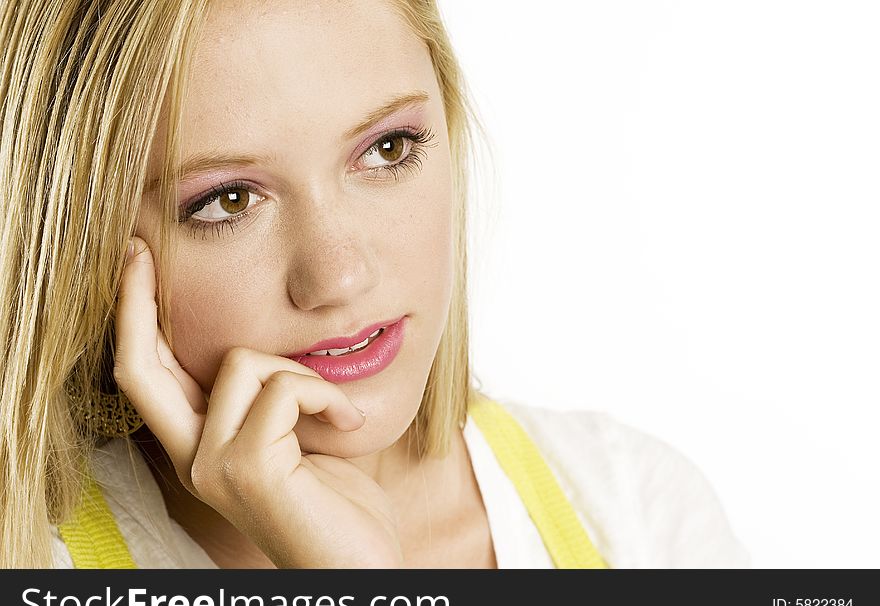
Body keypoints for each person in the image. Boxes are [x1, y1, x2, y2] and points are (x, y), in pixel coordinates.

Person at [0, 0, 750, 569]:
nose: (339, 275)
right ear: (84, 244)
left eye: (388, 149)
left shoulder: (635, 517)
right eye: (228, 199)